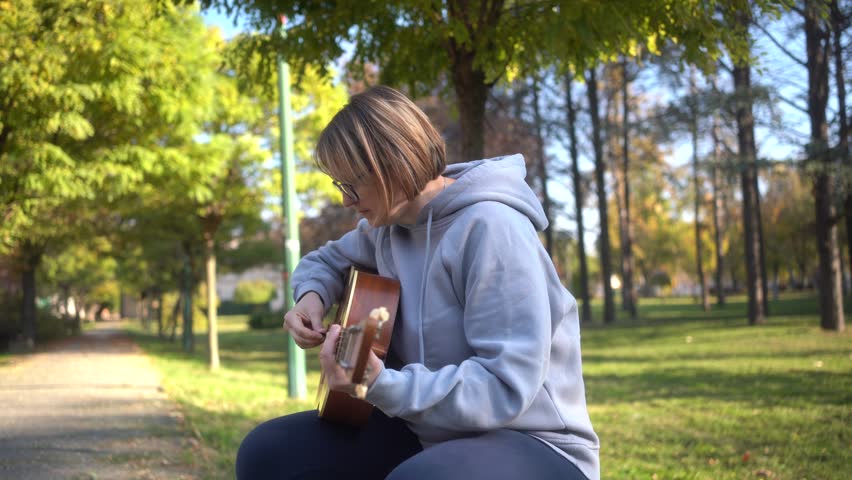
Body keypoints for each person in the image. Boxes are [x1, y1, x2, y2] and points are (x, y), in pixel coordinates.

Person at [235, 85, 600, 480]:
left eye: (351, 184)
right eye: (339, 186)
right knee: (267, 454)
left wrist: (380, 382)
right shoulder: (387, 230)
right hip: (426, 433)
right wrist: (312, 296)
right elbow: (324, 261)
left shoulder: (493, 229)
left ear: (392, 163)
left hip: (534, 442)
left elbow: (503, 386)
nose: (345, 200)